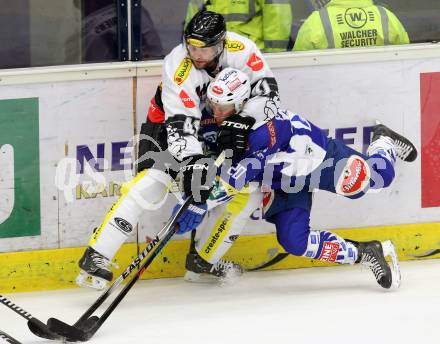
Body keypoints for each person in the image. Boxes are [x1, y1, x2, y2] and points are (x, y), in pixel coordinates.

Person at [76, 10, 280, 289]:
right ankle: (97, 255)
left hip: (224, 123)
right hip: (170, 126)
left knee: (247, 191)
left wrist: (244, 120)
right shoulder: (177, 64)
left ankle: (203, 260)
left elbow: (267, 92)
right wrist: (194, 161)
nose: (196, 53)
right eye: (191, 45)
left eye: (204, 48)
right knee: (152, 183)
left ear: (220, 44)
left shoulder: (243, 50)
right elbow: (181, 124)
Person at [180, 66, 418, 289]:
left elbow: (237, 176)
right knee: (294, 241)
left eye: (223, 107)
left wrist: (199, 203)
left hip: (319, 162)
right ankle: (366, 252)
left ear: (241, 103)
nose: (216, 113)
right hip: (283, 181)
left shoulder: (266, 130)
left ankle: (384, 140)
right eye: (214, 105)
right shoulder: (237, 113)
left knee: (377, 179)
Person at [293, 0, 409, 51]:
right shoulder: (386, 16)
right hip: (383, 93)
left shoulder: (316, 21)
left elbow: (297, 67)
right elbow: (409, 60)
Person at [185, 0, 293, 53]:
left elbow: (277, 21)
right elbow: (192, 24)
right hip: (213, 58)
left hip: (252, 55)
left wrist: (273, 58)